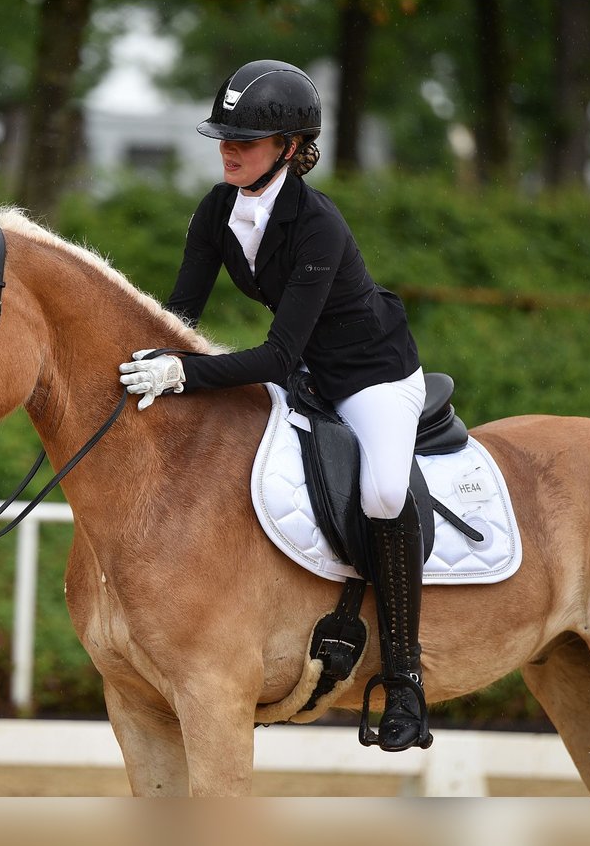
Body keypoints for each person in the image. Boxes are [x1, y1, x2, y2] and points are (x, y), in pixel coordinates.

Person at [117, 59, 431, 752]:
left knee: (381, 489)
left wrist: (183, 374)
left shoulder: (316, 224)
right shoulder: (216, 208)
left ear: (290, 148)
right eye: (223, 136)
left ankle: (405, 675)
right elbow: (178, 318)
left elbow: (276, 356)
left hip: (372, 378)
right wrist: (147, 361)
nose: (229, 148)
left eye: (246, 139)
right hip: (310, 379)